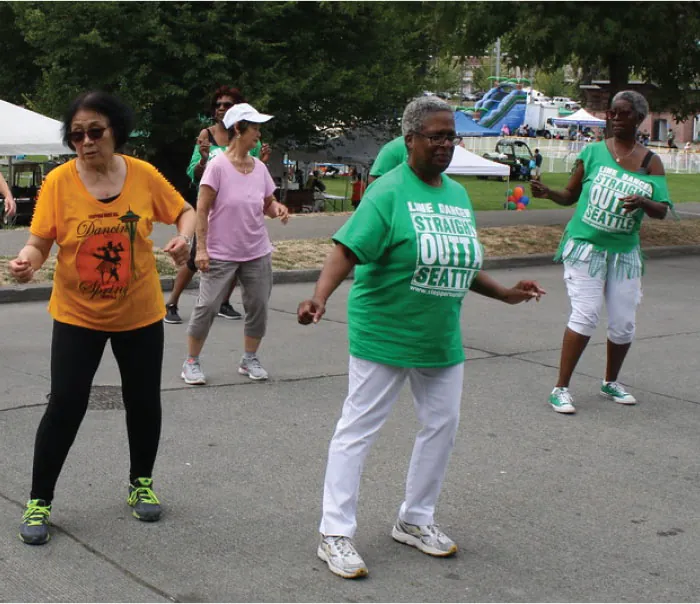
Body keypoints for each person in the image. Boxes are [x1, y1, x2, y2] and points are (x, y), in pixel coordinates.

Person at [297, 96, 545, 579]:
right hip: (386, 331)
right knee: (358, 430)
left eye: (451, 136)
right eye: (436, 136)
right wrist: (319, 296)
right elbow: (346, 250)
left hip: (439, 336)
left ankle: (415, 519)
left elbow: (462, 264)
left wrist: (507, 294)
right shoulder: (389, 192)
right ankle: (334, 532)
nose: (446, 145)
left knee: (442, 426)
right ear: (409, 140)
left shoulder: (456, 194)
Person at [9, 91, 196, 545]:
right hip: (77, 314)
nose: (86, 142)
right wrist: (27, 261)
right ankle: (39, 501)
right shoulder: (58, 182)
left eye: (95, 132)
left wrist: (185, 239)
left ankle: (141, 483)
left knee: (143, 400)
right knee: (65, 404)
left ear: (115, 130)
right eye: (77, 136)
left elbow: (185, 211)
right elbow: (40, 241)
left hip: (139, 312)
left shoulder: (144, 175)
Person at [530, 90, 673, 415]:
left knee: (623, 323)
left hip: (623, 254)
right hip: (586, 247)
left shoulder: (651, 162)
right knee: (586, 313)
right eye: (612, 113)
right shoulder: (593, 153)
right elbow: (570, 195)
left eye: (623, 114)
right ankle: (560, 388)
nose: (615, 119)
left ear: (639, 119)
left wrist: (643, 202)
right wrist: (548, 192)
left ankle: (610, 381)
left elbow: (662, 210)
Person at [181, 103, 288, 386]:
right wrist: (201, 249)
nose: (259, 134)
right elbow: (201, 210)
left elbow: (266, 203)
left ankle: (249, 358)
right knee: (207, 307)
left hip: (256, 250)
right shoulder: (217, 167)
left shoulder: (260, 168)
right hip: (220, 252)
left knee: (258, 307)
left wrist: (277, 208)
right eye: (254, 128)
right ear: (239, 129)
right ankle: (191, 362)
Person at [164, 86, 270, 325]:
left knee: (239, 253)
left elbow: (251, 170)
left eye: (227, 105)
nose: (221, 108)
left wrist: (262, 162)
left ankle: (223, 302)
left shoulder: (249, 138)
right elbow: (194, 173)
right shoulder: (207, 135)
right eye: (218, 105)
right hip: (210, 207)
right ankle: (171, 303)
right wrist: (202, 158)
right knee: (194, 257)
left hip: (238, 209)